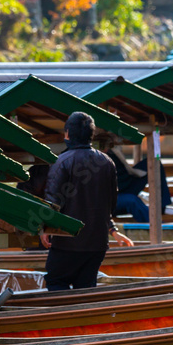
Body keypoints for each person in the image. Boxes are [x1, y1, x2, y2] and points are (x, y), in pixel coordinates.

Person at [40, 112, 134, 290]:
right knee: (86, 288)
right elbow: (110, 204)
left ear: (67, 134)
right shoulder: (107, 163)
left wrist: (45, 228)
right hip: (97, 244)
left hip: (66, 241)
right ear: (92, 136)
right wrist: (113, 231)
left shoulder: (61, 162)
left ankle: (64, 317)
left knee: (56, 282)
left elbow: (52, 203)